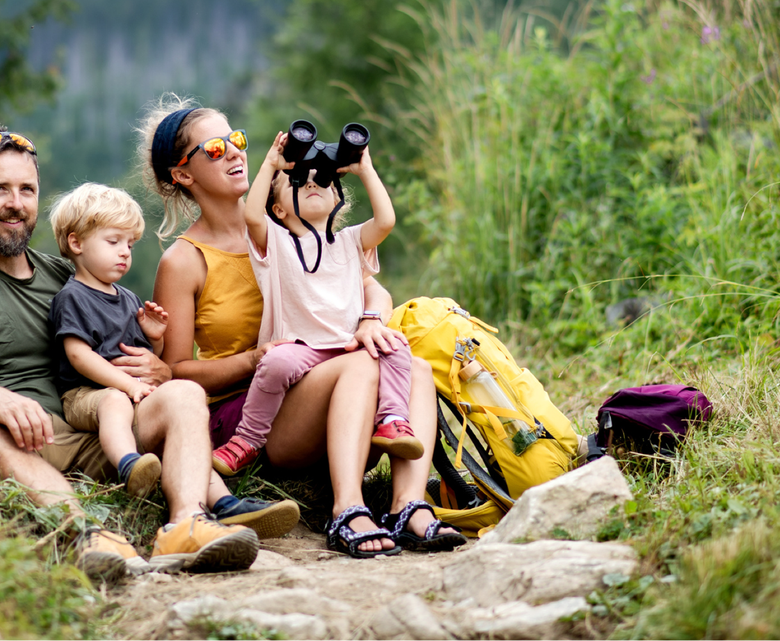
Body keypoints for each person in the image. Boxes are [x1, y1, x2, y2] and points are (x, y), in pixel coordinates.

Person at [0, 125, 299, 581]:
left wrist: (157, 365)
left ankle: (186, 524)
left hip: (103, 428)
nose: (15, 203)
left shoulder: (65, 274)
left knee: (183, 394)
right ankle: (83, 531)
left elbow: (127, 338)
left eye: (26, 189)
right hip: (28, 437)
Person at [142, 97, 467, 556]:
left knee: (411, 366)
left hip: (325, 390)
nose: (235, 152)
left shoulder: (294, 227)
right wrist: (255, 359)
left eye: (236, 140)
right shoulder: (185, 260)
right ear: (183, 174)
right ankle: (347, 511)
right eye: (215, 149)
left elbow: (367, 287)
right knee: (361, 366)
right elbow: (176, 370)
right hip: (259, 412)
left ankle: (408, 507)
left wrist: (373, 318)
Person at [210, 130, 424, 479]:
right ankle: (246, 439)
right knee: (275, 362)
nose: (312, 184)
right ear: (278, 208)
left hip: (347, 345)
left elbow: (386, 221)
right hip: (300, 347)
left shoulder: (351, 241)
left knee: (398, 348)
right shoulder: (276, 243)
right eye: (298, 181)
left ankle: (393, 420)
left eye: (322, 180)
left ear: (337, 196)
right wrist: (271, 164)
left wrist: (364, 169)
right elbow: (251, 216)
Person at [47, 183, 167, 498]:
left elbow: (143, 359)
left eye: (130, 243)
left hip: (126, 392)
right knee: (114, 400)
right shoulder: (72, 296)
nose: (125, 251)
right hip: (83, 395)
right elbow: (79, 356)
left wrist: (155, 341)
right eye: (113, 241)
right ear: (76, 243)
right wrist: (128, 386)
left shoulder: (127, 298)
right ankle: (128, 466)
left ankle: (216, 496)